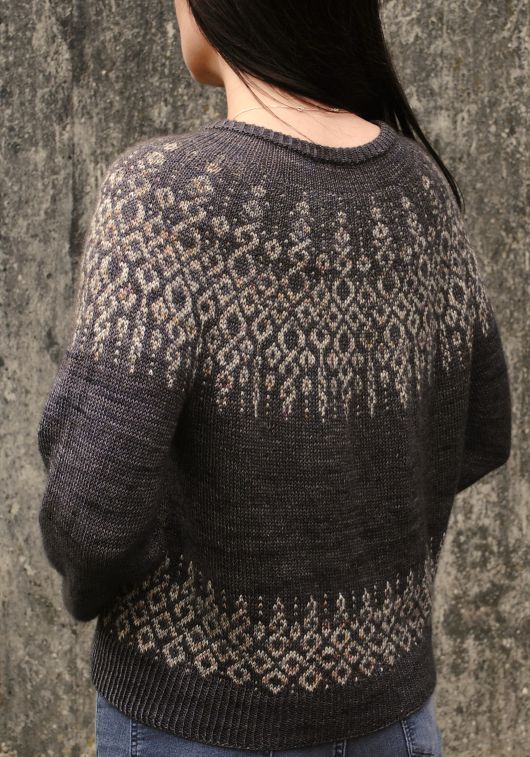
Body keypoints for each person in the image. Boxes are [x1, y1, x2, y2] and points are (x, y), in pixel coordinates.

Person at [36, 1, 512, 755]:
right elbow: (483, 429)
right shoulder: (421, 192)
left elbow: (94, 514)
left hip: (192, 720)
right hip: (391, 717)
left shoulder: (164, 197)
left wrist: (104, 594)